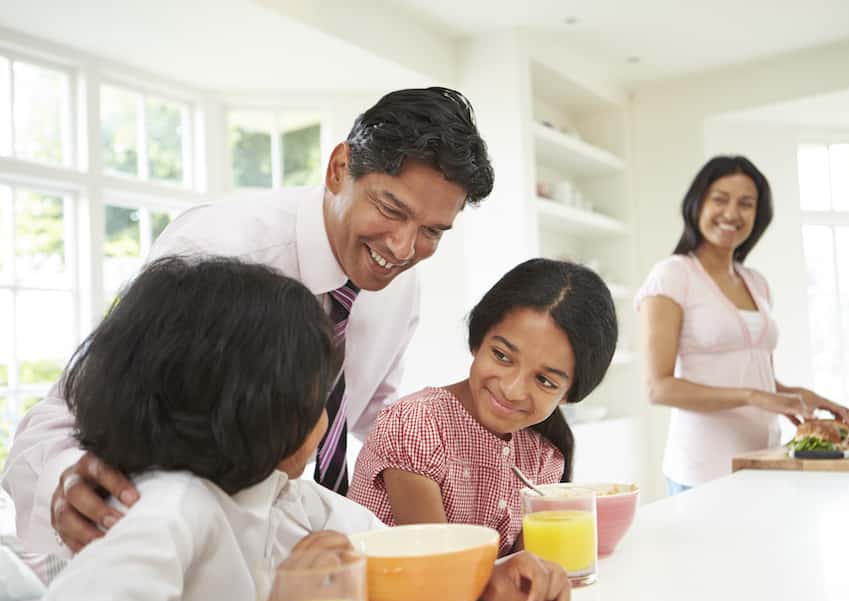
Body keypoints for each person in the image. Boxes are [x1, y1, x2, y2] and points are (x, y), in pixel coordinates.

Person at [0, 257, 571, 601]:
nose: (327, 422)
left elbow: (405, 553)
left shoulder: (288, 495)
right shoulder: (168, 508)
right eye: (318, 398)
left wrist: (489, 582)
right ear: (253, 414)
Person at [1, 86, 495, 555]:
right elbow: (74, 408)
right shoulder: (216, 249)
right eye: (391, 209)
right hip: (146, 540)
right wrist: (67, 477)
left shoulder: (398, 285)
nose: (404, 248)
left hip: (280, 543)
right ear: (339, 169)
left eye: (432, 231)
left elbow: (370, 412)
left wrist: (475, 418)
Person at [348, 258, 618, 554]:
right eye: (502, 356)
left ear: (568, 394)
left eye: (544, 380)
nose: (512, 389)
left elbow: (525, 570)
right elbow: (441, 568)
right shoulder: (416, 426)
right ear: (478, 340)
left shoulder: (544, 458)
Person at [635, 155, 849, 495]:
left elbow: (754, 375)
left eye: (746, 204)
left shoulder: (756, 282)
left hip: (765, 460)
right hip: (703, 471)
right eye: (720, 199)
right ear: (697, 204)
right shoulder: (673, 275)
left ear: (758, 215)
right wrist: (754, 397)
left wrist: (799, 397)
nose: (732, 213)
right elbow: (658, 388)